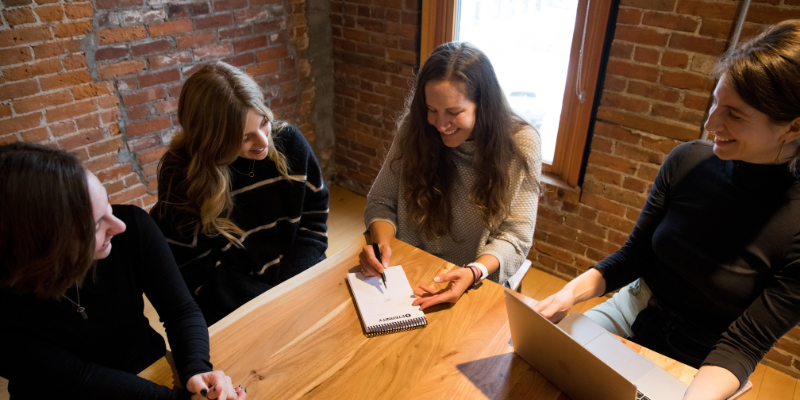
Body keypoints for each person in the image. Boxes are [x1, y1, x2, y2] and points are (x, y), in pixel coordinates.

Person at [534, 20, 800, 400]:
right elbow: (633, 257)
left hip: (710, 356)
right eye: (715, 102)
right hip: (636, 306)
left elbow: (745, 343)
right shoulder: (687, 162)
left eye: (735, 115)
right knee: (544, 367)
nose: (711, 124)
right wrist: (570, 294)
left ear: (792, 128)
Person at [0, 143, 245, 400]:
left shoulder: (133, 227)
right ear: (43, 245)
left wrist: (196, 370)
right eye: (95, 225)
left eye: (107, 204)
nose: (118, 226)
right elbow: (80, 379)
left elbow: (181, 311)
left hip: (149, 367)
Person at [359, 42, 542, 309]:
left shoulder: (520, 143)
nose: (441, 125)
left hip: (475, 279)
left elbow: (515, 239)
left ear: (484, 106)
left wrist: (473, 271)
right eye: (432, 110)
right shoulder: (417, 128)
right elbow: (382, 201)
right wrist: (380, 247)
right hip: (408, 267)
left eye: (454, 113)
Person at [152, 62, 329, 326]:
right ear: (210, 139)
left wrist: (290, 292)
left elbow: (313, 222)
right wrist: (271, 305)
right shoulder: (180, 175)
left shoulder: (289, 142)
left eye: (264, 122)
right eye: (244, 137)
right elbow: (195, 270)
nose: (262, 143)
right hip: (233, 311)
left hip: (298, 284)